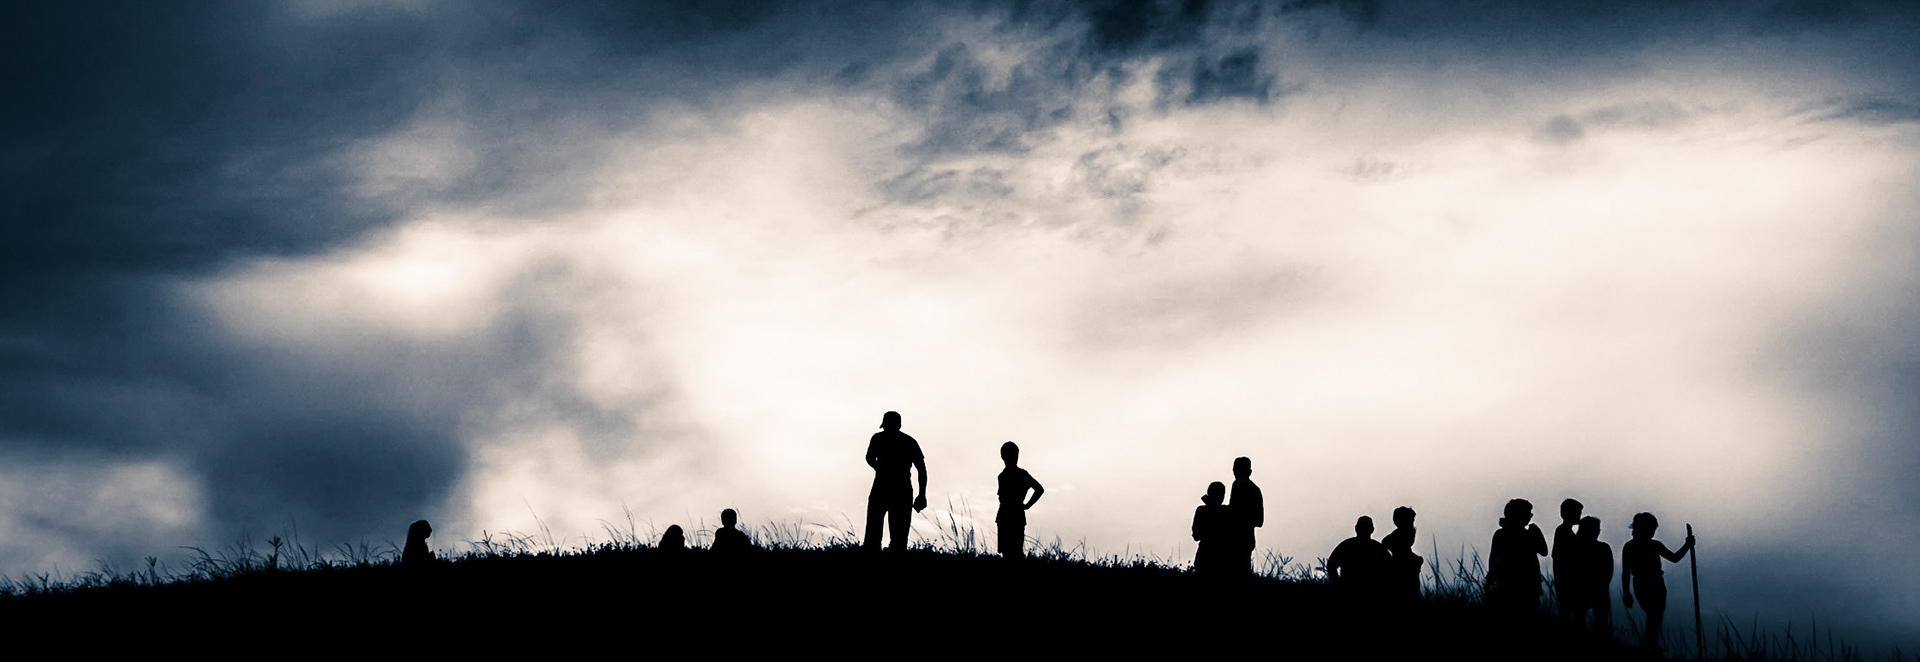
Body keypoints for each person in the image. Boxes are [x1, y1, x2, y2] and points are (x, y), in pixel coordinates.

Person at [1622, 512, 1694, 652]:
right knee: (1654, 616)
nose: (1652, 532)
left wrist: (1687, 545)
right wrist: (1626, 592)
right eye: (1650, 529)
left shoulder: (1651, 545)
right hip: (1645, 584)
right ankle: (1648, 646)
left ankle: (1651, 645)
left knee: (1655, 617)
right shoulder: (1632, 546)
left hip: (1656, 583)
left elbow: (1674, 558)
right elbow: (1626, 572)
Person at [864, 411, 928, 553]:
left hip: (889, 489)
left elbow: (921, 469)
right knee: (887, 534)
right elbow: (922, 469)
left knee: (890, 535)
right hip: (896, 489)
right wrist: (922, 494)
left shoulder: (880, 438)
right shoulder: (908, 441)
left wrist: (922, 495)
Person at [1485, 498, 1549, 615]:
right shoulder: (1527, 535)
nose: (1530, 517)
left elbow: (1493, 559)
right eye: (1528, 514)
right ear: (1519, 515)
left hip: (1508, 583)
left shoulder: (1501, 534)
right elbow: (1544, 551)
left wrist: (1490, 580)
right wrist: (1538, 533)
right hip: (1524, 584)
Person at [995, 441, 1045, 560]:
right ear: (1003, 456)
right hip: (1005, 516)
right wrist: (1026, 505)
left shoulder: (1021, 474)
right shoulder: (1002, 476)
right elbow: (1039, 489)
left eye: (1014, 454)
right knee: (1007, 552)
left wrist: (1027, 505)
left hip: (1014, 516)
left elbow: (1039, 489)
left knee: (1015, 551)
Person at [1326, 515, 1393, 600]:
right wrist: (1339, 584)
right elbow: (1331, 566)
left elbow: (1331, 565)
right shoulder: (1378, 548)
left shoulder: (1347, 545)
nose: (1364, 530)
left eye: (1366, 527)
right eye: (1362, 527)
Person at [1574, 516, 1613, 631]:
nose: (1597, 531)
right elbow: (1609, 571)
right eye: (1595, 529)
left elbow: (1609, 571)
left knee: (1579, 619)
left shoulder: (1576, 547)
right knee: (1598, 622)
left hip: (1589, 589)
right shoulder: (1603, 548)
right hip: (1594, 589)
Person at [1228, 457, 1263, 575]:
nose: (1234, 472)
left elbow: (1233, 512)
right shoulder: (1256, 489)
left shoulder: (1238, 484)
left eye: (1236, 469)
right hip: (1248, 537)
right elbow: (1259, 521)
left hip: (1237, 535)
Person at [1552, 498, 1585, 623]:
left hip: (1565, 578)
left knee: (1567, 611)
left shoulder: (1565, 531)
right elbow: (1559, 556)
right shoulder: (1563, 531)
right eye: (1578, 513)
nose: (1579, 516)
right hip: (1566, 579)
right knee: (1567, 612)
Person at [1381, 506, 1423, 601]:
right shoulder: (1403, 532)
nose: (1412, 523)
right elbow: (1386, 542)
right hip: (1401, 567)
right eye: (1411, 520)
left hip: (1403, 567)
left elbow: (1386, 542)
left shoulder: (1405, 532)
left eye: (1412, 521)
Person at [1191, 482, 1232, 575]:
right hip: (1215, 558)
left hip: (1207, 557)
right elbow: (1196, 535)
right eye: (1220, 494)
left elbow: (1196, 535)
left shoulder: (1202, 511)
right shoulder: (1225, 512)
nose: (1222, 497)